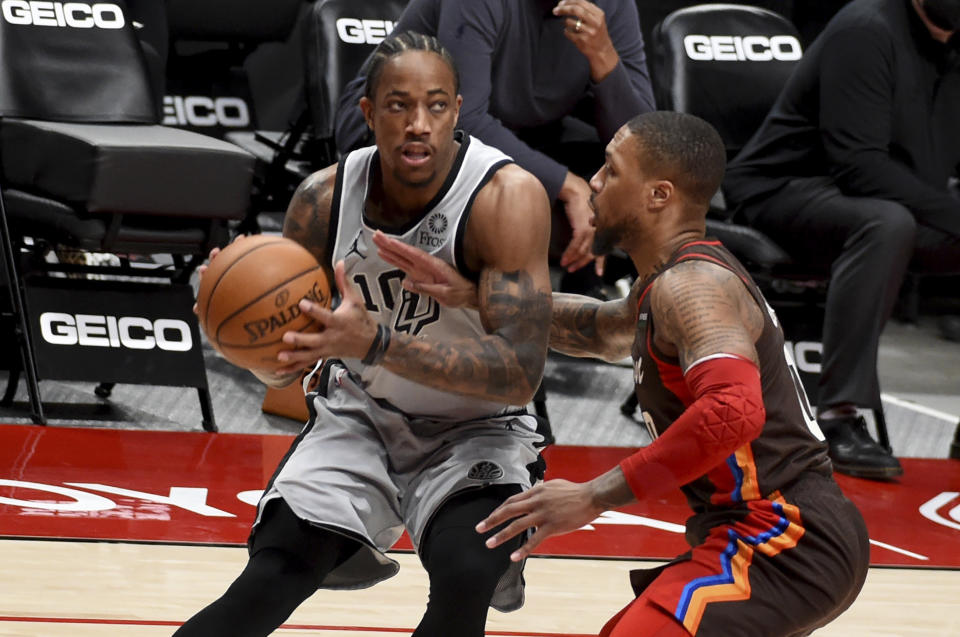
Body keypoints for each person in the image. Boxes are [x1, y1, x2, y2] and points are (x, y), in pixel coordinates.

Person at [376, 111, 870, 637]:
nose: (593, 182)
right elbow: (601, 329)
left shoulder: (693, 286)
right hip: (773, 533)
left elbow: (734, 411)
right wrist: (476, 296)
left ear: (658, 195)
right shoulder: (666, 281)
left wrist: (593, 496)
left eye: (611, 171)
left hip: (782, 537)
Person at [174, 32, 553, 637]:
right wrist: (235, 328)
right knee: (272, 574)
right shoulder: (322, 199)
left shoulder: (506, 198)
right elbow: (284, 369)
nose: (418, 124)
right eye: (399, 105)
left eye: (435, 105)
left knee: (463, 576)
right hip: (362, 417)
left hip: (480, 429)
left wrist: (376, 344)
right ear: (370, 113)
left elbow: (519, 371)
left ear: (457, 111)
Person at [723, 0, 960, 480]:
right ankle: (837, 414)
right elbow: (858, 164)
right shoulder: (866, 28)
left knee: (894, 218)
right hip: (784, 188)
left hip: (891, 197)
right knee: (887, 222)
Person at [335, 0, 656, 293]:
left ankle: (581, 296)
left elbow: (644, 141)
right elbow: (461, 120)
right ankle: (469, 297)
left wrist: (603, 57)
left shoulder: (614, 6)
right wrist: (567, 186)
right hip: (402, 127)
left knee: (627, 183)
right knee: (533, 206)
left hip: (518, 132)